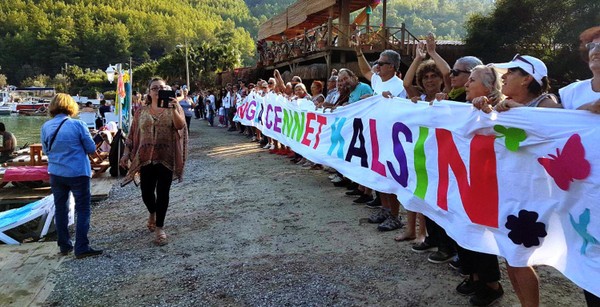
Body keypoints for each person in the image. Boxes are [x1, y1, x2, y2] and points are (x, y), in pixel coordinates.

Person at [474, 55, 560, 307]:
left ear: (527, 79)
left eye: (510, 73)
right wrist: (484, 110)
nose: (503, 77)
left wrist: (517, 111)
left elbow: (559, 123)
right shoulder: (506, 104)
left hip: (535, 195)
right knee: (511, 256)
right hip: (510, 191)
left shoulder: (546, 103)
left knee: (520, 257)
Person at [454, 65, 505, 306]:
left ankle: (491, 284)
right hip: (467, 178)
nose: (465, 83)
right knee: (463, 226)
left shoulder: (501, 109)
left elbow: (500, 130)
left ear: (488, 87)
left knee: (481, 231)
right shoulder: (465, 109)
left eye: (471, 80)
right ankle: (474, 277)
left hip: (487, 182)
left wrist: (487, 110)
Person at [558, 26, 600, 307]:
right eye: (593, 46)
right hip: (584, 192)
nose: (596, 49)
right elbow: (549, 126)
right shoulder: (572, 92)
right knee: (589, 258)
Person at [119, 78, 187, 246]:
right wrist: (126, 154)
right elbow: (132, 134)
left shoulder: (173, 107)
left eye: (162, 88)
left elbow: (180, 126)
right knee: (146, 193)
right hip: (145, 157)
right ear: (149, 92)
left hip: (166, 156)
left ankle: (160, 228)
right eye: (154, 88)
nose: (158, 90)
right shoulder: (141, 112)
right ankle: (152, 212)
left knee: (163, 193)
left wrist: (173, 108)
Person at [40, 93, 102, 259]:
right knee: (82, 209)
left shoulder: (46, 127)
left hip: (56, 173)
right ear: (71, 106)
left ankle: (64, 245)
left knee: (60, 209)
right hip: (77, 172)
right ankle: (81, 247)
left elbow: (46, 151)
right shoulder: (78, 125)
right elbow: (90, 148)